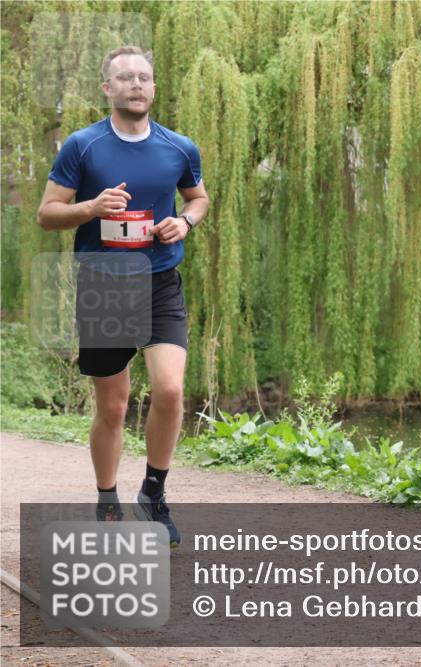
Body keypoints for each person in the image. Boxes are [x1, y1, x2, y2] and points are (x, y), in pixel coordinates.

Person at [37, 45, 209, 547]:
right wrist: (91, 207)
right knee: (113, 407)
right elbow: (47, 213)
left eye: (145, 77)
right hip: (104, 285)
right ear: (107, 88)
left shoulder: (179, 147)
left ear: (154, 88)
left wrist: (185, 221)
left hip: (159, 282)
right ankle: (107, 499)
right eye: (125, 78)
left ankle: (153, 492)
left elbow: (197, 197)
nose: (136, 84)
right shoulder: (82, 146)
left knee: (171, 390)